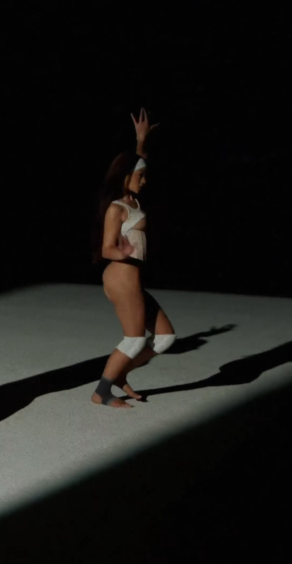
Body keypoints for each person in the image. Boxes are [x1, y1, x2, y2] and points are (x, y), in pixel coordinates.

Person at [91, 108, 176, 408]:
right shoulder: (117, 208)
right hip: (120, 277)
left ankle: (120, 374)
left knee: (164, 338)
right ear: (126, 177)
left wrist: (141, 140)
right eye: (140, 177)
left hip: (134, 278)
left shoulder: (135, 200)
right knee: (135, 339)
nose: (144, 180)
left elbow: (139, 163)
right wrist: (123, 251)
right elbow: (106, 249)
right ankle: (102, 392)